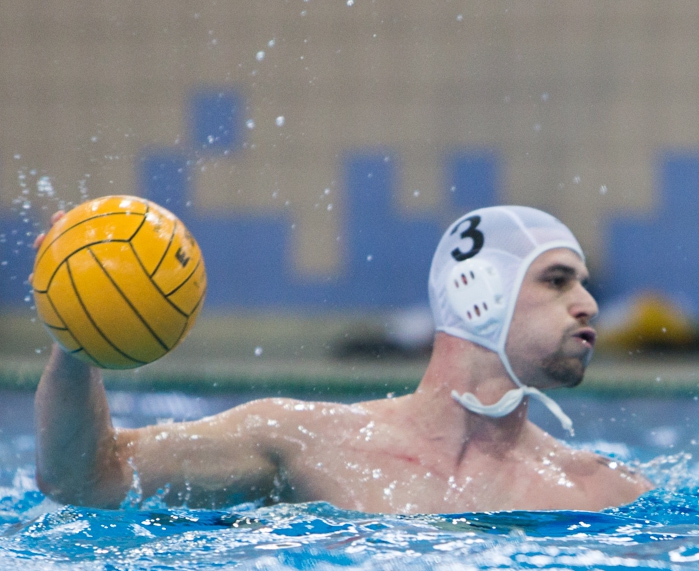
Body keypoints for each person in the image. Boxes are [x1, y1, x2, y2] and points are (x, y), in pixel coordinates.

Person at [33, 205, 651, 513]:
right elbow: (85, 478)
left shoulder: (602, 492)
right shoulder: (300, 439)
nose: (589, 304)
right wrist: (76, 338)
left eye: (583, 284)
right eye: (558, 281)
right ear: (479, 290)